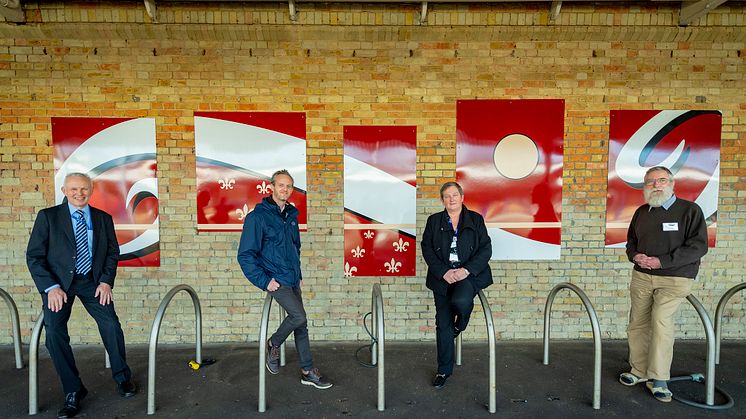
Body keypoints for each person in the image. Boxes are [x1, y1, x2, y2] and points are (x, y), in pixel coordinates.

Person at [26, 173, 137, 419]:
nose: (79, 193)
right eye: (74, 189)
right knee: (53, 334)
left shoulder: (103, 218)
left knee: (111, 326)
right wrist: (51, 287)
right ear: (64, 190)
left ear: (91, 190)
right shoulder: (48, 217)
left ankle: (122, 378)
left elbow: (111, 252)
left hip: (92, 282)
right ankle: (73, 391)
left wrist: (106, 281)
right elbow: (34, 256)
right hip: (58, 285)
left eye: (84, 189)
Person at [619, 166, 708, 402]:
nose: (656, 185)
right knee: (637, 323)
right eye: (650, 182)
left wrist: (662, 262)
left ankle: (658, 378)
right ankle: (638, 370)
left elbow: (698, 247)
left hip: (675, 277)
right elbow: (631, 242)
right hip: (642, 276)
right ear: (645, 186)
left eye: (661, 180)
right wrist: (635, 256)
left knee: (660, 321)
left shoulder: (690, 210)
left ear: (672, 183)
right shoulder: (642, 212)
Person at [237, 169, 332, 389]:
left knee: (302, 324)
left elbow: (294, 248)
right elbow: (245, 255)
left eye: (289, 186)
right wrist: (264, 281)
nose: (285, 189)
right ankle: (273, 343)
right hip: (274, 279)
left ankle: (307, 371)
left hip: (291, 278)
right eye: (281, 185)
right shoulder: (257, 217)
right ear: (271, 187)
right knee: (298, 316)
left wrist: (299, 275)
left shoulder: (291, 215)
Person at [421, 181, 493, 388]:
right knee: (442, 324)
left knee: (461, 301)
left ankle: (459, 325)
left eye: (455, 195)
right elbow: (427, 249)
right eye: (446, 196)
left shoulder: (475, 219)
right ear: (442, 200)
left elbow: (485, 249)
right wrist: (444, 272)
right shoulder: (434, 221)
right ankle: (443, 371)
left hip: (467, 274)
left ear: (462, 197)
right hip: (442, 277)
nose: (451, 199)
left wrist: (465, 270)